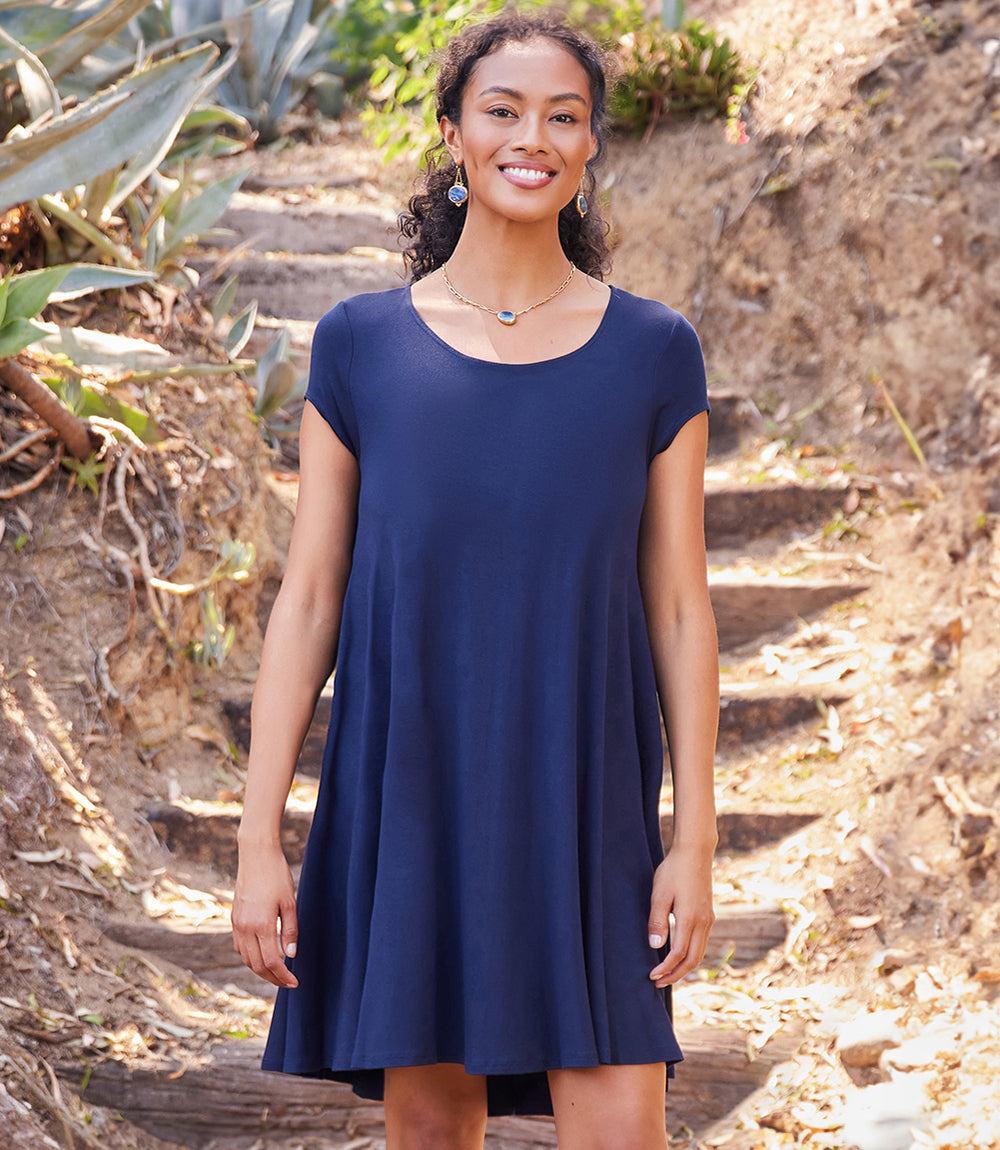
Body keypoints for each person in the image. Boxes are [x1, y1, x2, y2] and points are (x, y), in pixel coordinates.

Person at [234, 9, 719, 1149]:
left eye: (564, 116)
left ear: (590, 143)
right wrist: (258, 841)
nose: (531, 138)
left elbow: (679, 608)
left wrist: (693, 840)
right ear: (454, 133)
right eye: (502, 110)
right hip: (413, 796)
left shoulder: (654, 350)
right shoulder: (360, 344)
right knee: (430, 1129)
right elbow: (310, 601)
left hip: (588, 800)